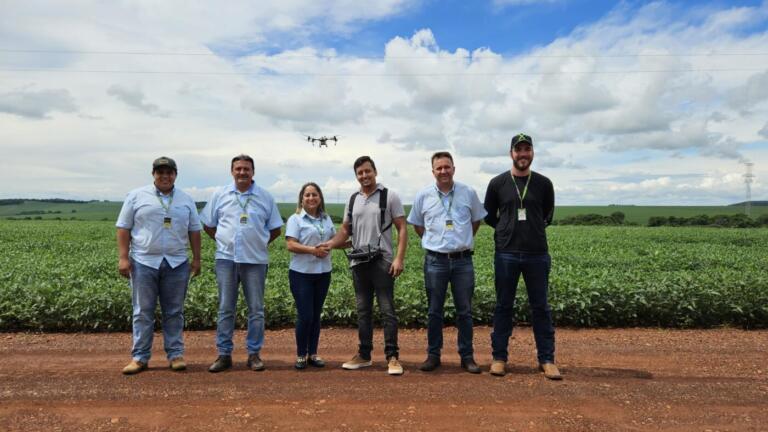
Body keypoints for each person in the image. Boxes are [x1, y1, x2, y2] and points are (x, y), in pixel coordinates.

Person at [483, 133, 562, 380]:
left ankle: (547, 360)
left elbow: (547, 215)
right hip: (506, 253)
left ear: (532, 154)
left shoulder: (544, 183)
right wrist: (506, 229)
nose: (523, 154)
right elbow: (489, 216)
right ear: (511, 154)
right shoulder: (497, 183)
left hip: (537, 253)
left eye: (527, 150)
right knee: (503, 306)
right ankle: (499, 358)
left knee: (541, 307)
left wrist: (530, 230)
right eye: (518, 150)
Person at [116, 156, 202, 375]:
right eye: (160, 172)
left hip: (176, 262)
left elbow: (194, 230)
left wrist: (197, 259)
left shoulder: (185, 199)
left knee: (174, 311)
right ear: (153, 174)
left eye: (169, 172)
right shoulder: (136, 196)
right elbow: (124, 227)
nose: (165, 176)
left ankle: (175, 355)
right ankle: (140, 358)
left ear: (175, 174)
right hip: (144, 261)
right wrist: (123, 258)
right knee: (142, 311)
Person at [322, 156, 407, 376]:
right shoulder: (352, 200)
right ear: (356, 176)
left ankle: (393, 357)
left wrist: (399, 259)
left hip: (382, 261)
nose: (364, 176)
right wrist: (331, 244)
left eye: (367, 171)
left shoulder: (390, 196)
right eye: (360, 173)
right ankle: (364, 354)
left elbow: (402, 229)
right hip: (359, 262)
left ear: (375, 171)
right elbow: (345, 231)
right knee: (363, 311)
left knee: (387, 310)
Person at [200, 154, 283, 372]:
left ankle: (254, 354)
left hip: (255, 261)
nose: (242, 172)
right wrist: (222, 239)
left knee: (256, 309)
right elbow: (208, 224)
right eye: (238, 169)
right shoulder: (220, 194)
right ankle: (224, 354)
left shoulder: (265, 197)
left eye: (246, 169)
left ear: (253, 172)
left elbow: (275, 229)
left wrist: (258, 242)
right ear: (232, 171)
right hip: (226, 259)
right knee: (226, 308)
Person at [407, 151, 487, 374]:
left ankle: (467, 356)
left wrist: (461, 241)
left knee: (465, 311)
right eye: (439, 168)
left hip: (463, 262)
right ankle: (433, 355)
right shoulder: (423, 195)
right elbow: (417, 225)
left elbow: (476, 221)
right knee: (434, 310)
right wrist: (434, 242)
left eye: (447, 167)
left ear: (454, 168)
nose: (443, 171)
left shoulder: (468, 192)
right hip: (435, 261)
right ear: (433, 171)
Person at [284, 182, 335, 370]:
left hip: (323, 273)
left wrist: (352, 242)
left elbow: (334, 240)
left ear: (320, 198)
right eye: (307, 195)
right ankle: (300, 354)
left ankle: (313, 353)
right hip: (301, 274)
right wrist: (313, 250)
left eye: (314, 194)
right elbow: (291, 245)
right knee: (305, 315)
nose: (311, 198)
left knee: (315, 315)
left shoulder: (326, 219)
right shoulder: (295, 219)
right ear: (302, 199)